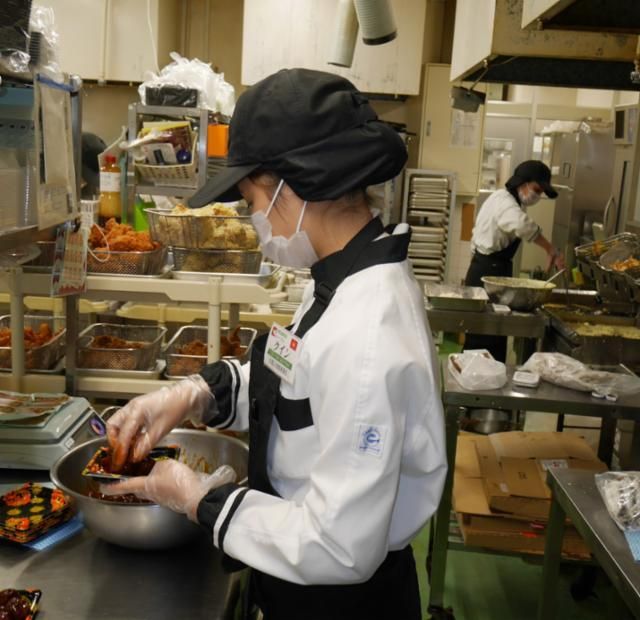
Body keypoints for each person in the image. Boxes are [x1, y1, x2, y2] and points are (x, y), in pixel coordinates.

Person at [102, 68, 447, 620]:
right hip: (297, 579)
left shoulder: (369, 334)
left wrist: (199, 499)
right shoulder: (340, 275)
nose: (254, 219)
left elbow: (339, 545)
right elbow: (297, 381)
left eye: (250, 200)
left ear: (292, 185)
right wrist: (195, 395)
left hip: (340, 603)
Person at [464, 159, 566, 361]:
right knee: (485, 336)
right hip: (488, 272)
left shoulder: (501, 198)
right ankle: (477, 375)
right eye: (536, 190)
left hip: (486, 268)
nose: (537, 196)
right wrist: (550, 249)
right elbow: (521, 225)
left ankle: (483, 372)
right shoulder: (505, 203)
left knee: (491, 334)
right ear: (522, 182)